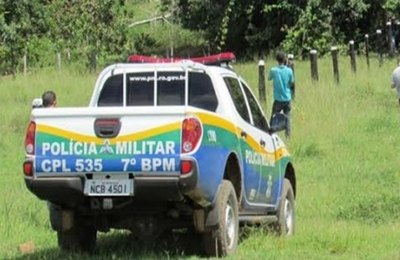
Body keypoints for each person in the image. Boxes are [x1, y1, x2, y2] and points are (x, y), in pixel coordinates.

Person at [268, 51, 294, 138]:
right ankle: (288, 136)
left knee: (273, 117)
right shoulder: (289, 71)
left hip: (278, 99)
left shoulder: (274, 70)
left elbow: (269, 78)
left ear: (277, 60)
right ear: (285, 59)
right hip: (287, 98)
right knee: (287, 118)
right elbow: (291, 82)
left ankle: (270, 134)